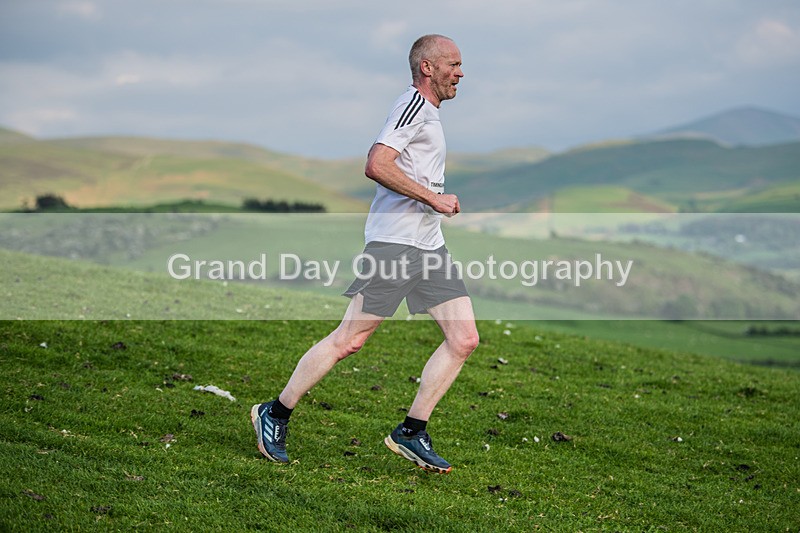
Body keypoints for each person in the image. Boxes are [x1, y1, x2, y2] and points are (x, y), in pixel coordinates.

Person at [251, 34, 479, 474]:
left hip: (427, 245)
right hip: (395, 244)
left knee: (464, 339)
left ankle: (411, 432)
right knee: (350, 340)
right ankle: (274, 414)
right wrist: (434, 200)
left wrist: (432, 205)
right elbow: (377, 163)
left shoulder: (430, 115)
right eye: (453, 63)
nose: (461, 72)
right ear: (427, 68)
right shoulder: (412, 105)